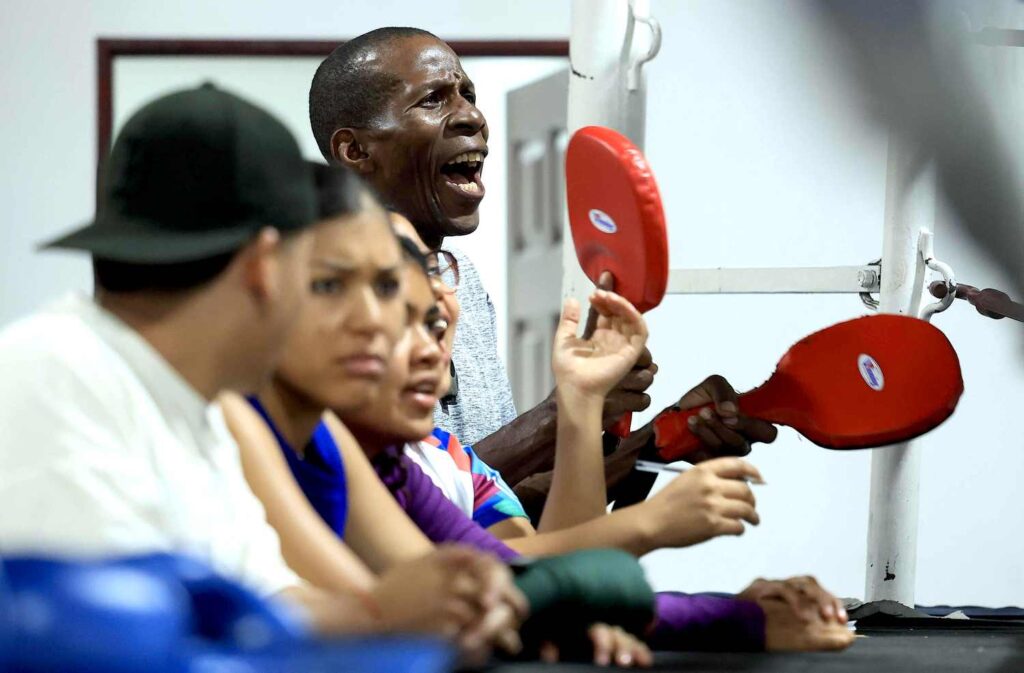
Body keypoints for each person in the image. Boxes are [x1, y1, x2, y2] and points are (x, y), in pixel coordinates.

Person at [0, 85, 523, 654]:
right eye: (327, 281)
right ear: (264, 268)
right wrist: (384, 615)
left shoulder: (190, 404)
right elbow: (114, 647)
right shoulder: (60, 375)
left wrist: (411, 608)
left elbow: (268, 595)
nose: (376, 322)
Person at [308, 27, 778, 519]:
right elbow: (389, 507)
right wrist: (565, 412)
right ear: (354, 151)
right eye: (433, 99)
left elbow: (498, 504)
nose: (472, 116)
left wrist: (658, 442)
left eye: (468, 95)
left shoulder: (462, 279)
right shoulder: (327, 300)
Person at [223, 165, 655, 667]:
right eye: (330, 285)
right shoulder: (244, 424)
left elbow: (498, 585)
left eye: (389, 290)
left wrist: (581, 403)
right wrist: (657, 523)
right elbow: (385, 609)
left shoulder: (424, 458)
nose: (372, 321)